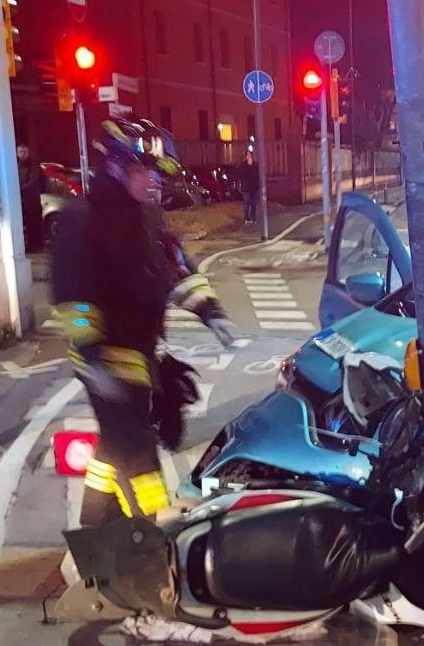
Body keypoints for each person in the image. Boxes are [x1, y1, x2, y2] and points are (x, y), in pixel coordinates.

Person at [51, 119, 239, 525]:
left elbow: (177, 271)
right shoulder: (79, 221)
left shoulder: (149, 219)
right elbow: (72, 298)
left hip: (140, 353)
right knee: (137, 452)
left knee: (116, 444)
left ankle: (95, 524)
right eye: (144, 170)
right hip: (103, 358)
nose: (154, 179)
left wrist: (212, 313)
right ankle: (151, 529)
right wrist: (92, 357)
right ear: (116, 169)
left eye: (156, 171)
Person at [17, 144, 44, 252]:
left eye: (24, 151)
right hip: (22, 201)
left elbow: (33, 182)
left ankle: (36, 246)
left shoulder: (33, 165)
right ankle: (31, 245)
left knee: (34, 224)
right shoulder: (16, 166)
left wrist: (20, 189)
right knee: (27, 225)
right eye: (20, 152)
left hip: (32, 201)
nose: (22, 154)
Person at [238, 151, 260, 225]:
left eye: (250, 155)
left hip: (254, 188)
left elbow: (257, 175)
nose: (249, 157)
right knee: (246, 204)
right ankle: (247, 219)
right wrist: (248, 166)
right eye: (247, 155)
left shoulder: (255, 165)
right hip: (246, 188)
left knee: (254, 204)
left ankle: (253, 218)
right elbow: (242, 175)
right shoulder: (243, 165)